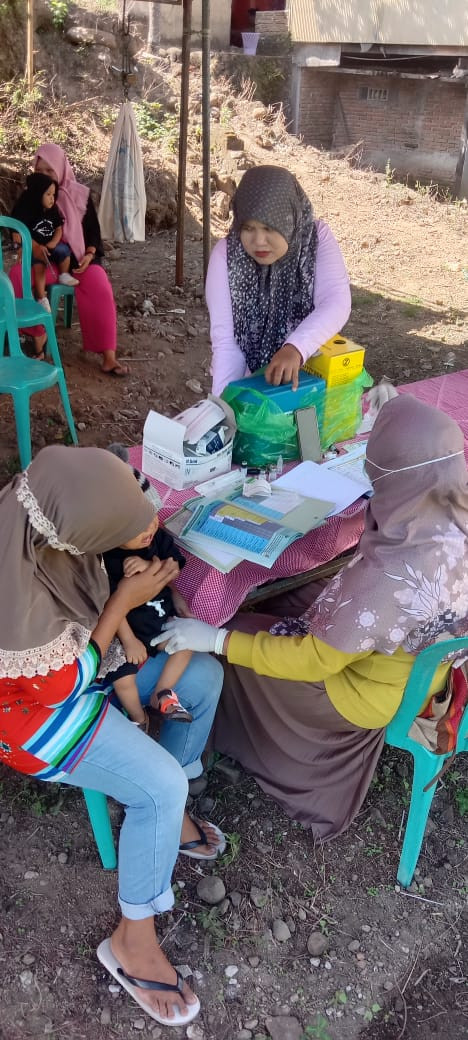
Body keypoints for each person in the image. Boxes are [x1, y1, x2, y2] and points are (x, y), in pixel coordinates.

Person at [153, 395, 468, 838]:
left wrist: (215, 640)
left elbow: (313, 660)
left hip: (361, 697)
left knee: (230, 634)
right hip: (423, 674)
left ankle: (200, 751)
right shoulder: (454, 519)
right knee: (292, 598)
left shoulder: (391, 577)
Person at [0, 445, 225, 1027]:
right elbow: (62, 686)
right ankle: (132, 942)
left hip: (89, 661)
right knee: (160, 785)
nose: (147, 528)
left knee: (201, 677)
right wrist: (124, 600)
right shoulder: (13, 592)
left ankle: (166, 809)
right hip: (35, 718)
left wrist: (126, 608)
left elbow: (96, 622)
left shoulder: (50, 524)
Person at [205, 164, 351, 397]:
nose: (258, 241)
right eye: (248, 228)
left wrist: (296, 347)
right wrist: (223, 403)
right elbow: (227, 343)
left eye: (269, 227)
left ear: (290, 220)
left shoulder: (315, 239)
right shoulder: (227, 255)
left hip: (311, 372)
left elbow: (336, 302)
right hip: (254, 381)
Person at [9, 143, 128, 375]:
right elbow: (16, 226)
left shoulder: (80, 195)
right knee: (16, 276)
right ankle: (34, 335)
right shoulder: (31, 195)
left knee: (99, 285)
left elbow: (93, 232)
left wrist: (90, 254)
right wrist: (27, 244)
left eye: (50, 170)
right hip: (46, 262)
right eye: (39, 170)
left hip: (79, 261)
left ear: (61, 169)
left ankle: (109, 357)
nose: (44, 176)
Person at [103, 500, 194, 730]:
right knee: (123, 680)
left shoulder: (157, 538)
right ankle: (139, 719)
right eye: (138, 527)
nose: (150, 528)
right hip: (124, 631)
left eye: (153, 517)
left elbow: (174, 567)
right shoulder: (106, 559)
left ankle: (162, 693)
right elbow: (110, 606)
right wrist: (129, 641)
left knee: (187, 640)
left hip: (158, 617)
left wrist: (150, 565)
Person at [11, 172, 79, 313]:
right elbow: (18, 234)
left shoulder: (52, 210)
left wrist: (53, 243)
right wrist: (30, 246)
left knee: (64, 251)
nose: (52, 198)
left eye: (53, 195)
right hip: (34, 248)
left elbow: (58, 229)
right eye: (48, 194)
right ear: (37, 194)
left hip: (50, 246)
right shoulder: (26, 210)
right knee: (39, 262)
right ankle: (41, 297)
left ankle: (64, 274)